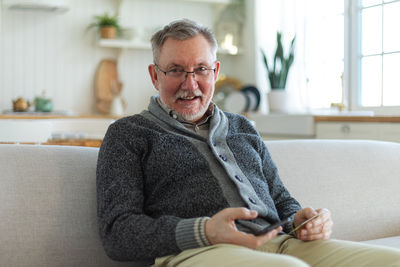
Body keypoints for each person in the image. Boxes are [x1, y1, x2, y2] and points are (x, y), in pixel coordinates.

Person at [96, 19, 400, 267]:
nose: (190, 84)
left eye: (201, 69)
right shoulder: (128, 134)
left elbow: (281, 199)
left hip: (283, 245)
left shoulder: (242, 127)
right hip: (200, 253)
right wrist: (205, 231)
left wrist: (302, 219)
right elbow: (117, 234)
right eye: (175, 70)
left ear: (214, 72)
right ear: (155, 75)